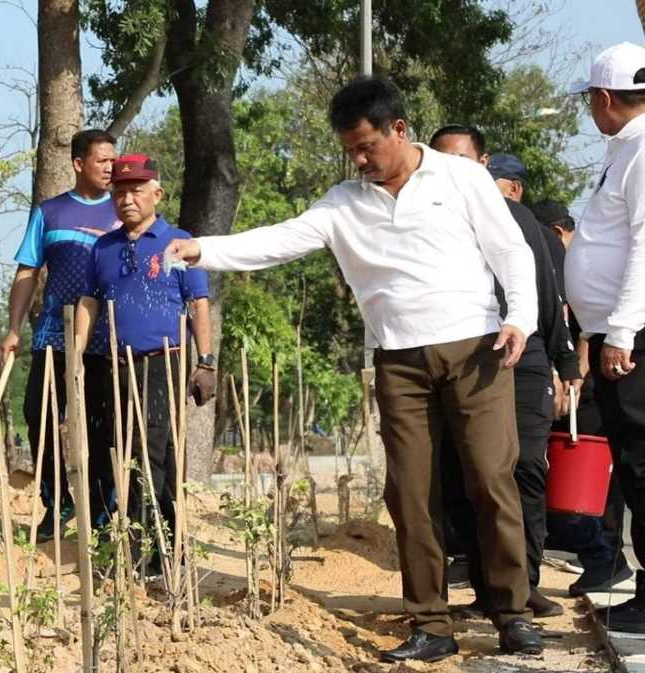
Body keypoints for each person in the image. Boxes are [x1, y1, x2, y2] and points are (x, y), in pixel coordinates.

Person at [164, 77, 543, 661]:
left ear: (399, 129)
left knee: (492, 480)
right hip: (399, 360)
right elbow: (280, 240)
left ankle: (513, 613)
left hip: (477, 350)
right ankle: (430, 625)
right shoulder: (344, 203)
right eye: (350, 150)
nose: (360, 159)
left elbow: (510, 252)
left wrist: (520, 316)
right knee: (410, 493)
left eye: (368, 146)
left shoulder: (460, 176)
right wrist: (203, 249)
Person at [427, 131, 581, 619]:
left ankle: (525, 582)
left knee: (523, 471)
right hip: (464, 362)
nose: (454, 168)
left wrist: (566, 365)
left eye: (464, 159)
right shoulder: (426, 220)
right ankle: (485, 586)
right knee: (466, 476)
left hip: (525, 360)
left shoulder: (520, 220)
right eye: (443, 160)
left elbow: (548, 294)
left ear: (483, 161)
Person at [75, 154, 215, 575]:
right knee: (128, 452)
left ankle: (153, 553)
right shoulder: (104, 247)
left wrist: (205, 361)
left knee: (153, 452)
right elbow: (89, 301)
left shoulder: (176, 242)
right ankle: (150, 552)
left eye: (136, 191)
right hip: (116, 365)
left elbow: (198, 303)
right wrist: (76, 357)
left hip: (163, 363)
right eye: (119, 192)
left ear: (157, 193)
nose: (126, 199)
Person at [2, 130, 120, 539]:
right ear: (77, 163)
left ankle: (105, 512)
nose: (111, 167)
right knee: (40, 416)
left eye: (113, 160)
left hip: (106, 340)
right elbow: (27, 271)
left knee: (101, 424)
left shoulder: (123, 210)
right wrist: (13, 328)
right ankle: (57, 503)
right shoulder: (49, 213)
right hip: (54, 335)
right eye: (102, 160)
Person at [566, 42, 645, 633]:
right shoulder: (626, 150)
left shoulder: (642, 150)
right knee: (634, 465)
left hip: (634, 338)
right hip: (621, 333)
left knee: (643, 466)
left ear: (603, 98)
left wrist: (619, 331)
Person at [531, 199, 633, 598]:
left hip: (587, 382)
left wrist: (575, 374)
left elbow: (588, 328)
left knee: (589, 472)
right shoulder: (572, 266)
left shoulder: (579, 266)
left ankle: (605, 555)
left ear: (555, 234)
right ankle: (601, 554)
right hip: (578, 380)